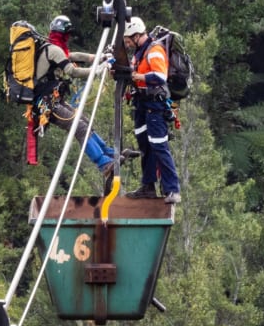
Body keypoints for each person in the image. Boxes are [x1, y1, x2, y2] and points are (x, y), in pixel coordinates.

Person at [34, 15, 135, 192]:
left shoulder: (54, 48)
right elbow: (72, 71)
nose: (69, 38)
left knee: (83, 121)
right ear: (63, 34)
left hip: (54, 99)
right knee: (78, 127)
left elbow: (76, 56)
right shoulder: (54, 50)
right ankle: (104, 165)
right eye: (67, 34)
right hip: (46, 104)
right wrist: (98, 69)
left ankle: (109, 153)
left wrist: (100, 57)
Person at [121, 16, 181, 204]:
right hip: (141, 104)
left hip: (154, 106)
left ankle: (173, 190)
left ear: (137, 35)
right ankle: (148, 186)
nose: (128, 43)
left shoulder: (154, 50)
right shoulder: (139, 53)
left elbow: (160, 75)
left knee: (159, 146)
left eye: (129, 39)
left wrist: (139, 76)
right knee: (145, 146)